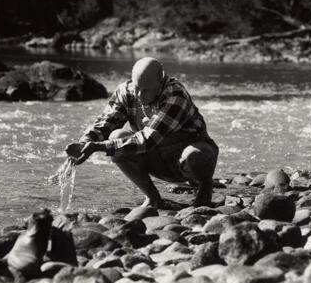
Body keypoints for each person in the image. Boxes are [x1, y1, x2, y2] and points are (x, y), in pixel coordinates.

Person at [65, 57, 219, 209]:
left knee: (196, 156)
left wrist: (98, 147)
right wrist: (83, 144)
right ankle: (154, 199)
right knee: (116, 137)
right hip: (157, 159)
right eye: (137, 87)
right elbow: (105, 124)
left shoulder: (175, 95)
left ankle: (205, 187)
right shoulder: (126, 91)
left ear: (161, 81)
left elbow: (147, 140)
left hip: (187, 158)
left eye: (145, 90)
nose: (139, 94)